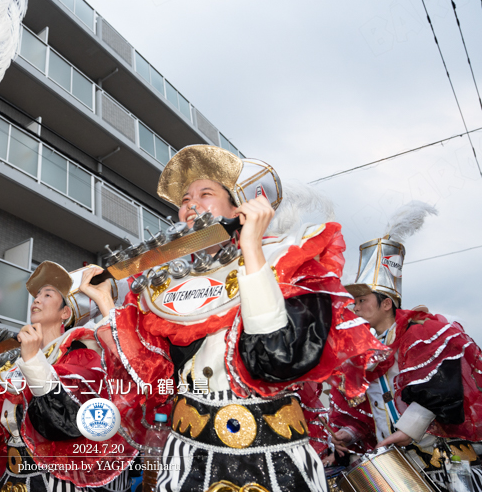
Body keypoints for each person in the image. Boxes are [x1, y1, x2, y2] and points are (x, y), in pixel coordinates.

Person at [80, 145, 386, 492]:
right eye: (184, 199)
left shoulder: (286, 258)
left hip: (273, 460)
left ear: (238, 205)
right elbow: (153, 377)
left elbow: (277, 359)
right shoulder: (163, 288)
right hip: (186, 462)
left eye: (205, 193)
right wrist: (106, 301)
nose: (190, 204)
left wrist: (252, 248)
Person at [0, 261, 136, 492]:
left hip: (56, 484)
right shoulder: (16, 365)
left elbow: (66, 420)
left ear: (65, 312)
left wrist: (34, 360)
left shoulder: (82, 355)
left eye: (47, 294)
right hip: (11, 482)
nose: (36, 299)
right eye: (36, 295)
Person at [328, 202, 482, 490]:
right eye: (355, 301)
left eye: (363, 300)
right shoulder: (362, 353)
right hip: (396, 465)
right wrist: (348, 433)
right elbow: (364, 412)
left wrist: (408, 430)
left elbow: (443, 389)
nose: (356, 306)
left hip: (439, 459)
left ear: (387, 303)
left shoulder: (424, 332)